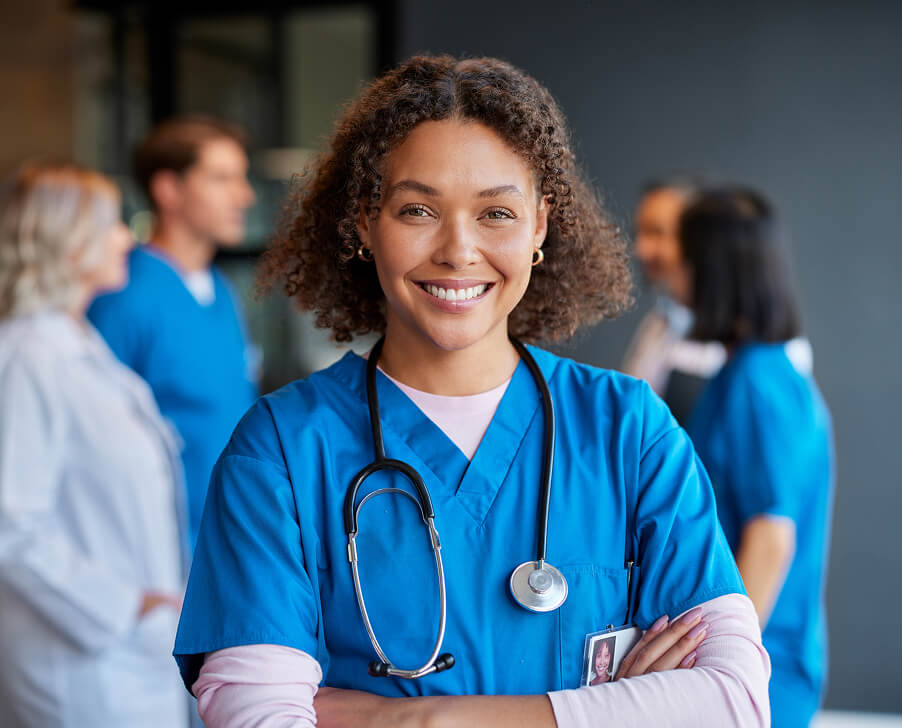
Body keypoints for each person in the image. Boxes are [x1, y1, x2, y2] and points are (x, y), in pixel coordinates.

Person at [174, 56, 770, 727]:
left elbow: (732, 702)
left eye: (496, 212)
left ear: (540, 225)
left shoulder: (628, 430)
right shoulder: (282, 450)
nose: (458, 251)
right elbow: (258, 720)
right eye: (418, 209)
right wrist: (609, 712)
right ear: (366, 223)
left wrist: (409, 718)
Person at [0, 162, 187, 727]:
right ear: (67, 239)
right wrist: (124, 605)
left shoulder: (78, 345)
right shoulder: (29, 356)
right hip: (83, 667)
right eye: (110, 223)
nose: (126, 237)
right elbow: (10, 523)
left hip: (129, 659)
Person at [680, 187, 834, 727]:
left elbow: (771, 539)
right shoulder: (745, 375)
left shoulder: (758, 382)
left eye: (685, 257)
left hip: (763, 680)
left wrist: (722, 671)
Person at [88, 116, 258, 548]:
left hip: (230, 534)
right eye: (222, 179)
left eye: (242, 178)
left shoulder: (222, 291)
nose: (245, 195)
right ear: (169, 190)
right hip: (156, 554)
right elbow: (94, 444)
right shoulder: (122, 296)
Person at [621, 176, 728, 425]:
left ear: (698, 239)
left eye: (656, 233)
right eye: (640, 233)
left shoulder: (734, 340)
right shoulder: (658, 324)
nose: (640, 249)